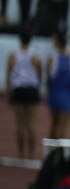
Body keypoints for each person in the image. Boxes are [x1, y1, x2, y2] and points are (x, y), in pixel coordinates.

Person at [6, 28, 42, 158]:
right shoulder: (35, 56)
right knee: (31, 123)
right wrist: (38, 87)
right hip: (31, 89)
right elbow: (39, 74)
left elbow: (9, 75)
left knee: (20, 124)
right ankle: (31, 153)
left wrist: (9, 92)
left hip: (19, 89)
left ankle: (21, 153)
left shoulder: (13, 55)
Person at [46, 31, 70, 139]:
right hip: (66, 96)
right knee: (63, 128)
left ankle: (51, 148)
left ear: (58, 42)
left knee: (53, 125)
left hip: (54, 94)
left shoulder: (52, 58)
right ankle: (59, 149)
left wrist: (49, 94)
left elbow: (48, 79)